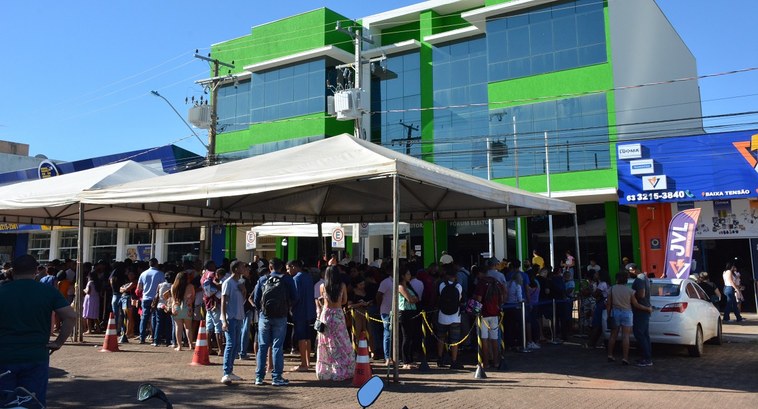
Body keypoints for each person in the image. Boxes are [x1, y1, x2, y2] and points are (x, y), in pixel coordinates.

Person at [0, 255, 77, 407]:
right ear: (36, 270)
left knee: (5, 402)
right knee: (31, 402)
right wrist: (58, 342)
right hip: (36, 356)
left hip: (4, 357)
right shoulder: (47, 292)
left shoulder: (2, 291)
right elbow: (70, 316)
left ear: (13, 271)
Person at [254, 258, 298, 386]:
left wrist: (261, 311)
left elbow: (256, 299)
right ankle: (277, 377)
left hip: (264, 316)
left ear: (270, 267)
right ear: (282, 267)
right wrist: (286, 307)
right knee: (277, 346)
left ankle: (259, 377)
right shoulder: (287, 279)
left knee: (262, 347)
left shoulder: (262, 279)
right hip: (281, 316)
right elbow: (295, 297)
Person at [316, 265, 356, 381]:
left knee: (327, 342)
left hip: (326, 315)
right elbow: (344, 301)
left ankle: (326, 370)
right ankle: (343, 368)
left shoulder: (323, 286)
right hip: (338, 314)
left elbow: (324, 301)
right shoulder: (342, 286)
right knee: (341, 341)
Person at [606, 271, 652, 365]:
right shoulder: (630, 291)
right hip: (627, 313)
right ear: (626, 280)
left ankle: (610, 355)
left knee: (613, 335)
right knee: (625, 336)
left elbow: (608, 304)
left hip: (615, 312)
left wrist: (608, 315)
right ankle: (625, 358)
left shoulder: (611, 289)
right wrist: (647, 308)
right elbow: (636, 305)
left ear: (617, 279)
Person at [220, 260, 247, 385]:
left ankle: (230, 371)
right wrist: (224, 319)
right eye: (242, 267)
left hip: (239, 317)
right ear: (235, 269)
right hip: (230, 317)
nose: (244, 269)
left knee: (236, 345)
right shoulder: (228, 283)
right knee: (230, 344)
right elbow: (223, 301)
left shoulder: (240, 283)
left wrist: (243, 290)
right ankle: (226, 372)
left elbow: (243, 300)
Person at [474, 266, 505, 368]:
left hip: (484, 315)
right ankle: (496, 362)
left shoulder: (481, 283)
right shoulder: (495, 282)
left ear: (479, 273)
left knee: (484, 339)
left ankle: (486, 363)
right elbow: (504, 294)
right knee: (494, 339)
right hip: (495, 314)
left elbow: (478, 299)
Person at [289, 259, 316, 372]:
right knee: (308, 337)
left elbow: (295, 297)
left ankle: (303, 363)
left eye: (288, 268)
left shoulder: (296, 279)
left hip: (299, 311)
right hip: (310, 311)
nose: (288, 271)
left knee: (301, 338)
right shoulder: (309, 277)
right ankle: (308, 361)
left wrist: (290, 307)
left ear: (294, 267)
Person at [436, 264, 464, 369]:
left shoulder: (441, 285)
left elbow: (439, 297)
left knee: (440, 337)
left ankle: (440, 358)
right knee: (455, 340)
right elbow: (460, 299)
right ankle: (454, 361)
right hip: (455, 316)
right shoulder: (458, 286)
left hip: (442, 315)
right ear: (455, 276)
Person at [628, 263, 653, 367]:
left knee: (640, 334)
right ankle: (646, 357)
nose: (629, 273)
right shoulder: (644, 277)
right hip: (644, 309)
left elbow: (641, 294)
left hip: (641, 309)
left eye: (630, 271)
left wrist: (632, 294)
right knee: (645, 335)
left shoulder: (640, 279)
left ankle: (646, 359)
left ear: (635, 269)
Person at [137, 258, 166, 345]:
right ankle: (154, 337)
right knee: (155, 318)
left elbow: (139, 288)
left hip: (145, 298)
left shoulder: (143, 274)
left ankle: (142, 337)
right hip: (156, 299)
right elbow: (163, 287)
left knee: (144, 318)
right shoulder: (160, 274)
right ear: (157, 264)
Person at [397, 268, 420, 369]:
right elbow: (410, 299)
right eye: (408, 274)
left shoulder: (409, 286)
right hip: (404, 312)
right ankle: (405, 361)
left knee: (411, 336)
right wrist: (413, 299)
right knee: (406, 337)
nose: (409, 276)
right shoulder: (400, 287)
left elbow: (417, 298)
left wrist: (413, 299)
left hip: (412, 312)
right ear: (403, 276)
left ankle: (410, 359)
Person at [170, 271, 195, 352]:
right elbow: (193, 297)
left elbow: (173, 299)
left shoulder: (173, 286)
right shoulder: (190, 286)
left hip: (176, 307)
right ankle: (191, 345)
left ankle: (179, 346)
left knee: (178, 327)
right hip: (187, 307)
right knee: (188, 327)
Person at [375, 266, 394, 366]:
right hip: (386, 311)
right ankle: (387, 357)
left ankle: (394, 355)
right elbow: (378, 295)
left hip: (397, 311)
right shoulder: (386, 282)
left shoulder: (400, 282)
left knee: (393, 334)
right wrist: (379, 307)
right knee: (387, 333)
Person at [82, 270, 101, 334]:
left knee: (88, 315)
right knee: (94, 315)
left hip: (90, 299)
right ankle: (98, 328)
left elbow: (88, 292)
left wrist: (83, 290)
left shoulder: (90, 282)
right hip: (96, 299)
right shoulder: (97, 282)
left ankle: (89, 330)